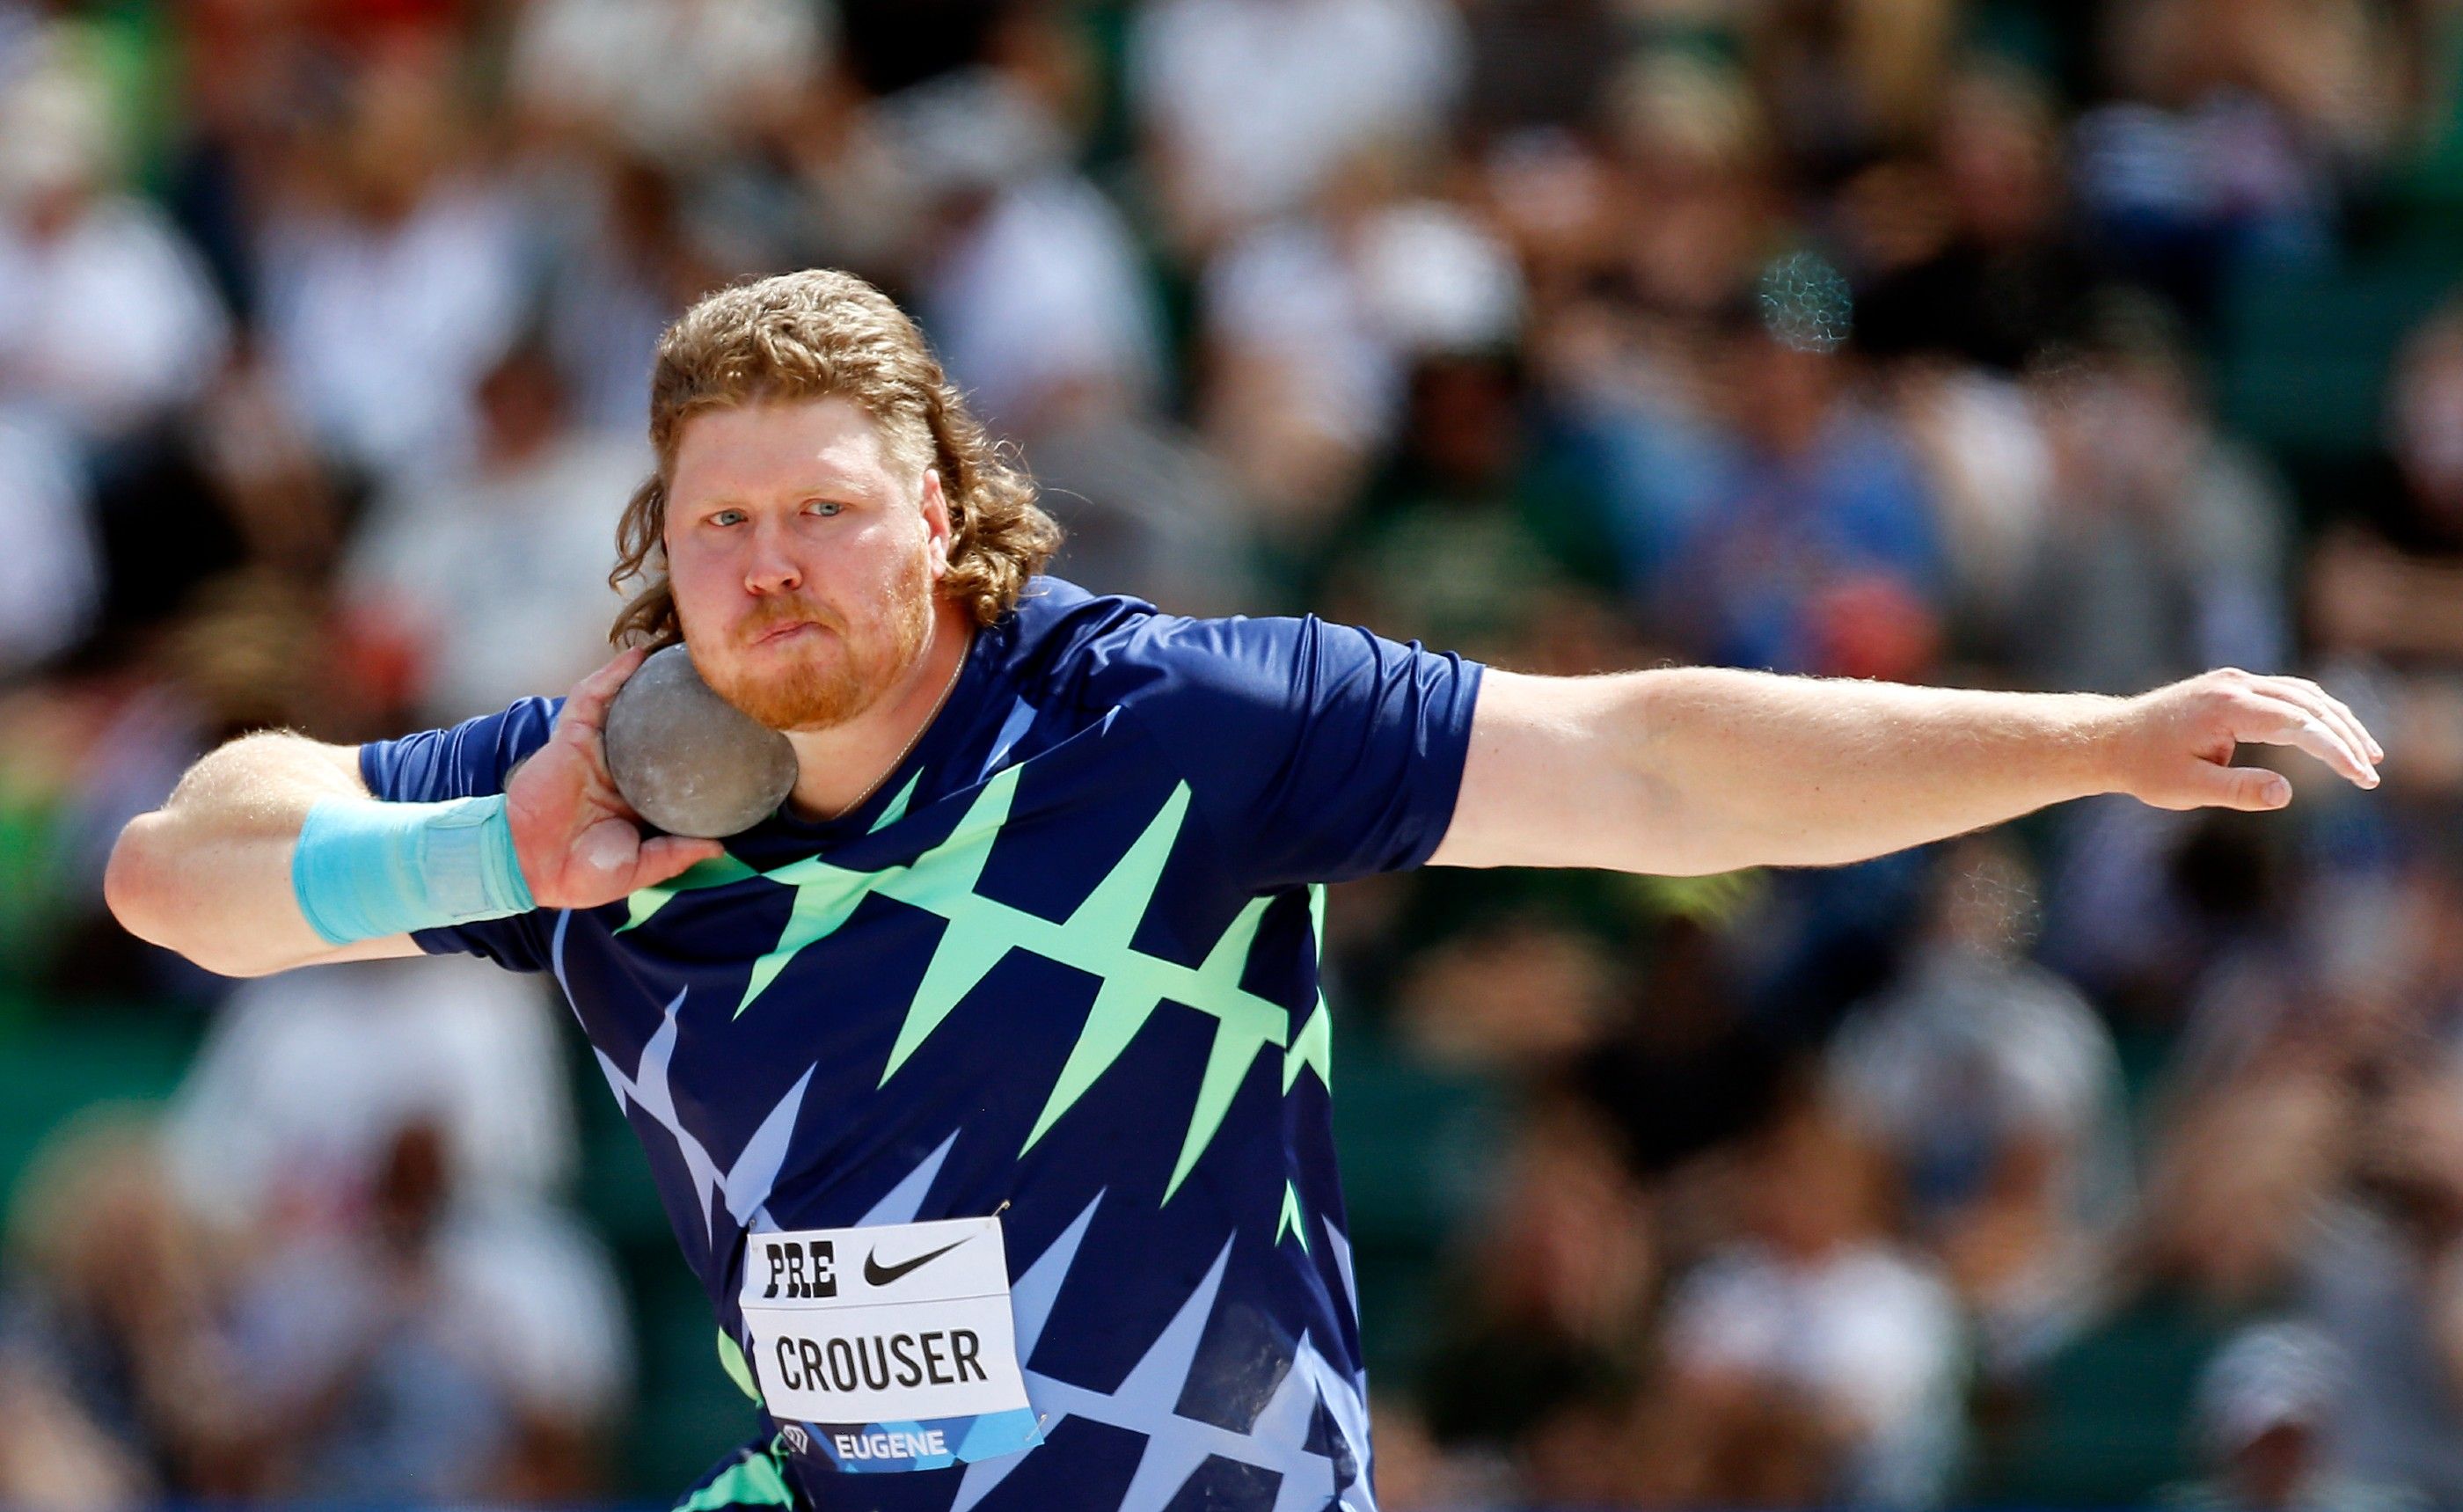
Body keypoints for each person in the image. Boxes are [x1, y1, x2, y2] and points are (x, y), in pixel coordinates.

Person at [101, 268, 2385, 1512]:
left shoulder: (1179, 730)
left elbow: (1652, 765)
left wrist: (2089, 743)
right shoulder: (603, 796)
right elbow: (180, 872)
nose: (769, 565)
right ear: (660, 559)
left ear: (945, 515)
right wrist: (471, 852)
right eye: (718, 524)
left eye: (823, 508)